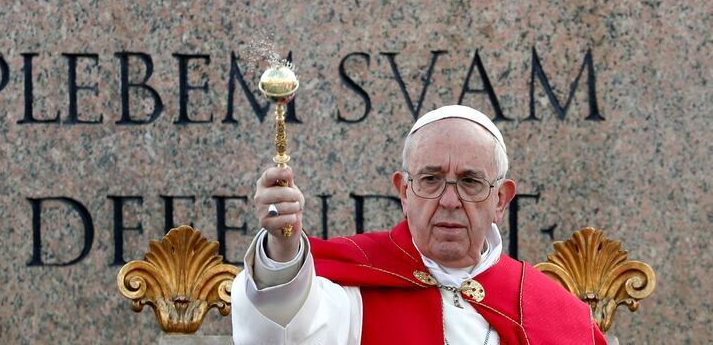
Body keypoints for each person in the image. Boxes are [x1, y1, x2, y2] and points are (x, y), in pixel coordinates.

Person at [231, 105, 607, 344]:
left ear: (500, 200)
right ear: (404, 192)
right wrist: (282, 249)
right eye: (430, 179)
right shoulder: (352, 288)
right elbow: (286, 327)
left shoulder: (553, 312)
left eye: (471, 182)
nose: (449, 200)